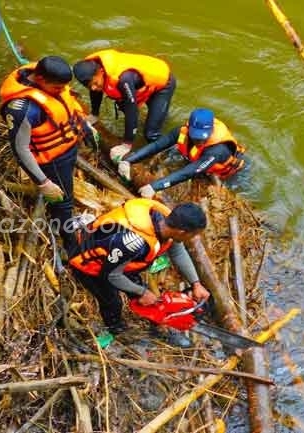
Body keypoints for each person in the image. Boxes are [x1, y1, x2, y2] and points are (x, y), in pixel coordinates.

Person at [68, 199, 210, 347]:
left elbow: (178, 252)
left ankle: (160, 326)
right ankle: (117, 329)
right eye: (193, 235)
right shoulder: (133, 242)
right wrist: (141, 292)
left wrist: (196, 283)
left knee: (148, 295)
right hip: (91, 265)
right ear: (182, 232)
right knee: (112, 301)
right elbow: (111, 275)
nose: (193, 239)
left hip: (120, 262)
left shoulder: (167, 220)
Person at [0, 56, 98, 248]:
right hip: (51, 160)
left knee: (65, 192)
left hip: (67, 148)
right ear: (42, 80)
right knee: (63, 201)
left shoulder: (52, 81)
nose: (61, 92)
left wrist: (84, 128)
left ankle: (60, 219)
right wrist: (43, 182)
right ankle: (70, 243)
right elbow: (20, 148)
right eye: (57, 89)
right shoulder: (24, 109)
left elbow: (68, 104)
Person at [72, 49, 176, 162]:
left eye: (95, 83)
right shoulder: (93, 70)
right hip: (140, 82)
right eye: (89, 86)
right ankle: (158, 117)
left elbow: (132, 110)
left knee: (150, 134)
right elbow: (95, 91)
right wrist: (94, 114)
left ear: (101, 71)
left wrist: (127, 144)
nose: (93, 88)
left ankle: (172, 154)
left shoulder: (123, 79)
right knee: (128, 106)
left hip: (162, 83)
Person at [117, 108, 247, 198]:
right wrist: (129, 160)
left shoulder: (217, 149)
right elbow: (157, 145)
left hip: (226, 172)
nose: (199, 141)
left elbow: (189, 172)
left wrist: (154, 187)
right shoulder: (182, 131)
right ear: (189, 127)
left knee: (222, 192)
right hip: (199, 162)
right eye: (195, 136)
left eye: (203, 137)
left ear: (211, 131)